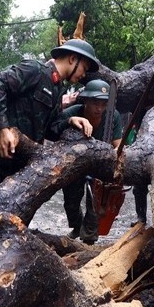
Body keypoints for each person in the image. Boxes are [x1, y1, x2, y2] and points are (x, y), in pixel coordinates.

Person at [0, 39, 101, 228]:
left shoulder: (57, 88)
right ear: (72, 59)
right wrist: (2, 128)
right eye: (84, 67)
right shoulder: (34, 71)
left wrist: (70, 120)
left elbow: (49, 129)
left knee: (3, 225)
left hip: (17, 171)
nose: (84, 74)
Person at [52, 79, 123, 244]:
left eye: (103, 104)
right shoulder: (72, 112)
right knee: (71, 202)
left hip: (99, 167)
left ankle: (89, 237)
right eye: (95, 103)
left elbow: (118, 144)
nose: (99, 108)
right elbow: (53, 129)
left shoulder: (113, 116)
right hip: (75, 165)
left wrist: (113, 155)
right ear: (85, 101)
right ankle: (77, 227)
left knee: (95, 203)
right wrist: (69, 122)